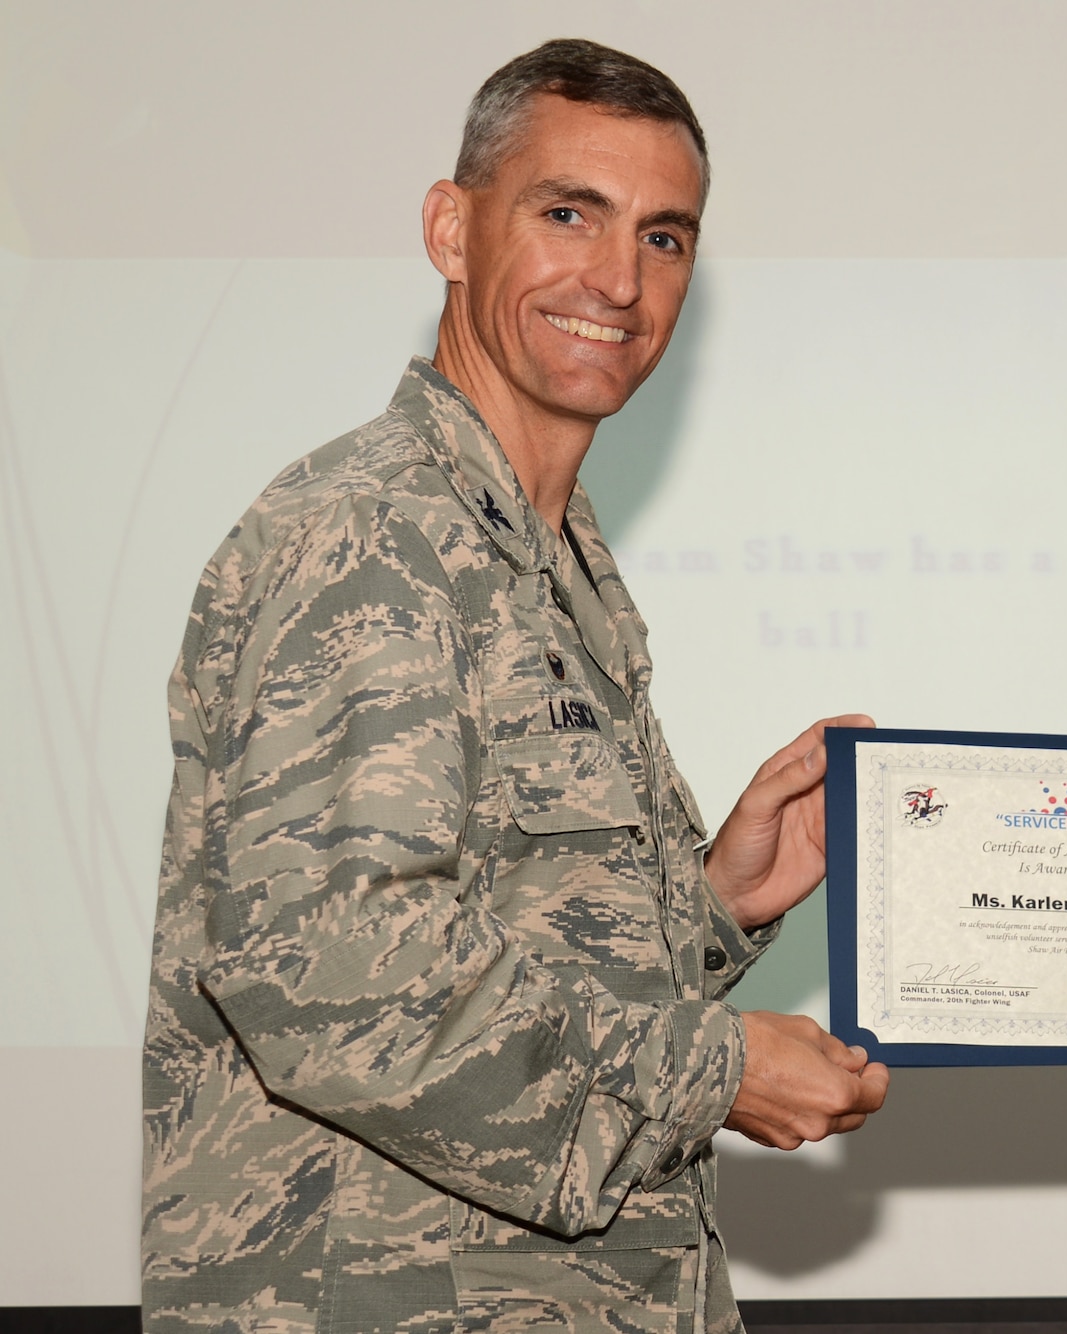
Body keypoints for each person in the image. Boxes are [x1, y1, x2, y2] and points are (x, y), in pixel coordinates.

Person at [141, 39, 889, 1333]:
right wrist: (715, 1070)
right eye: (567, 214)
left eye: (665, 238)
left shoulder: (558, 560)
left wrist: (717, 898)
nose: (617, 278)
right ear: (450, 226)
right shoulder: (371, 534)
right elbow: (331, 975)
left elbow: (522, 939)